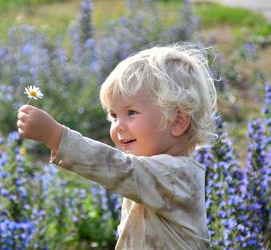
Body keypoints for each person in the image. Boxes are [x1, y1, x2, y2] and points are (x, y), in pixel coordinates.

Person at [17, 44, 217, 249]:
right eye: (113, 115)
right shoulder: (154, 171)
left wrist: (56, 136)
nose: (118, 126)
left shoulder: (177, 175)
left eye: (131, 112)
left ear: (177, 121)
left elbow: (119, 169)